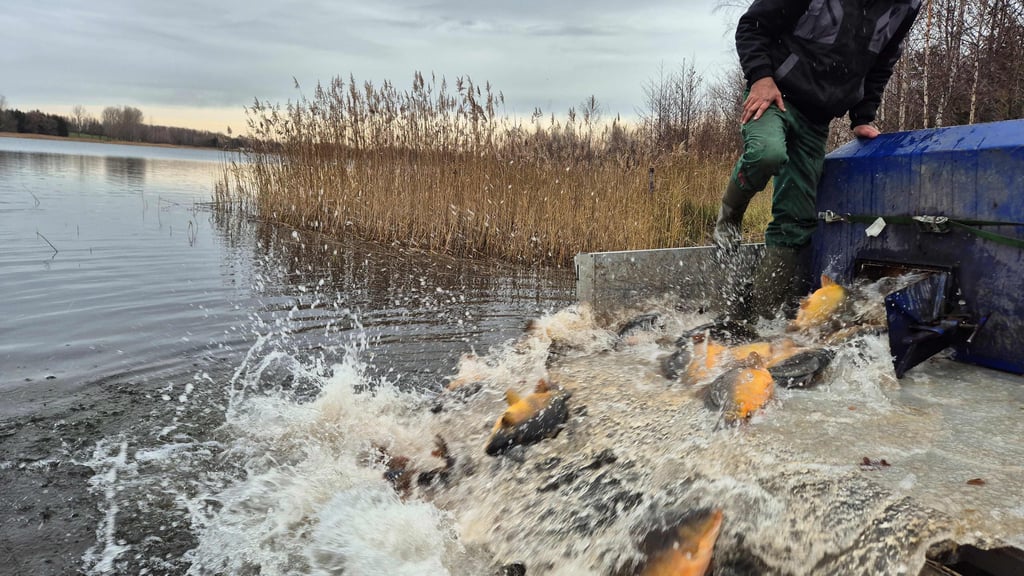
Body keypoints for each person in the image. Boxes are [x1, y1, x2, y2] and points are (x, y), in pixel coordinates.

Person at [714, 0, 921, 317]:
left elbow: (881, 63)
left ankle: (761, 318)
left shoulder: (906, 7)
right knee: (766, 153)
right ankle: (728, 217)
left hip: (817, 117)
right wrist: (760, 78)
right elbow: (752, 26)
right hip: (774, 95)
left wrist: (862, 116)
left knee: (797, 221)